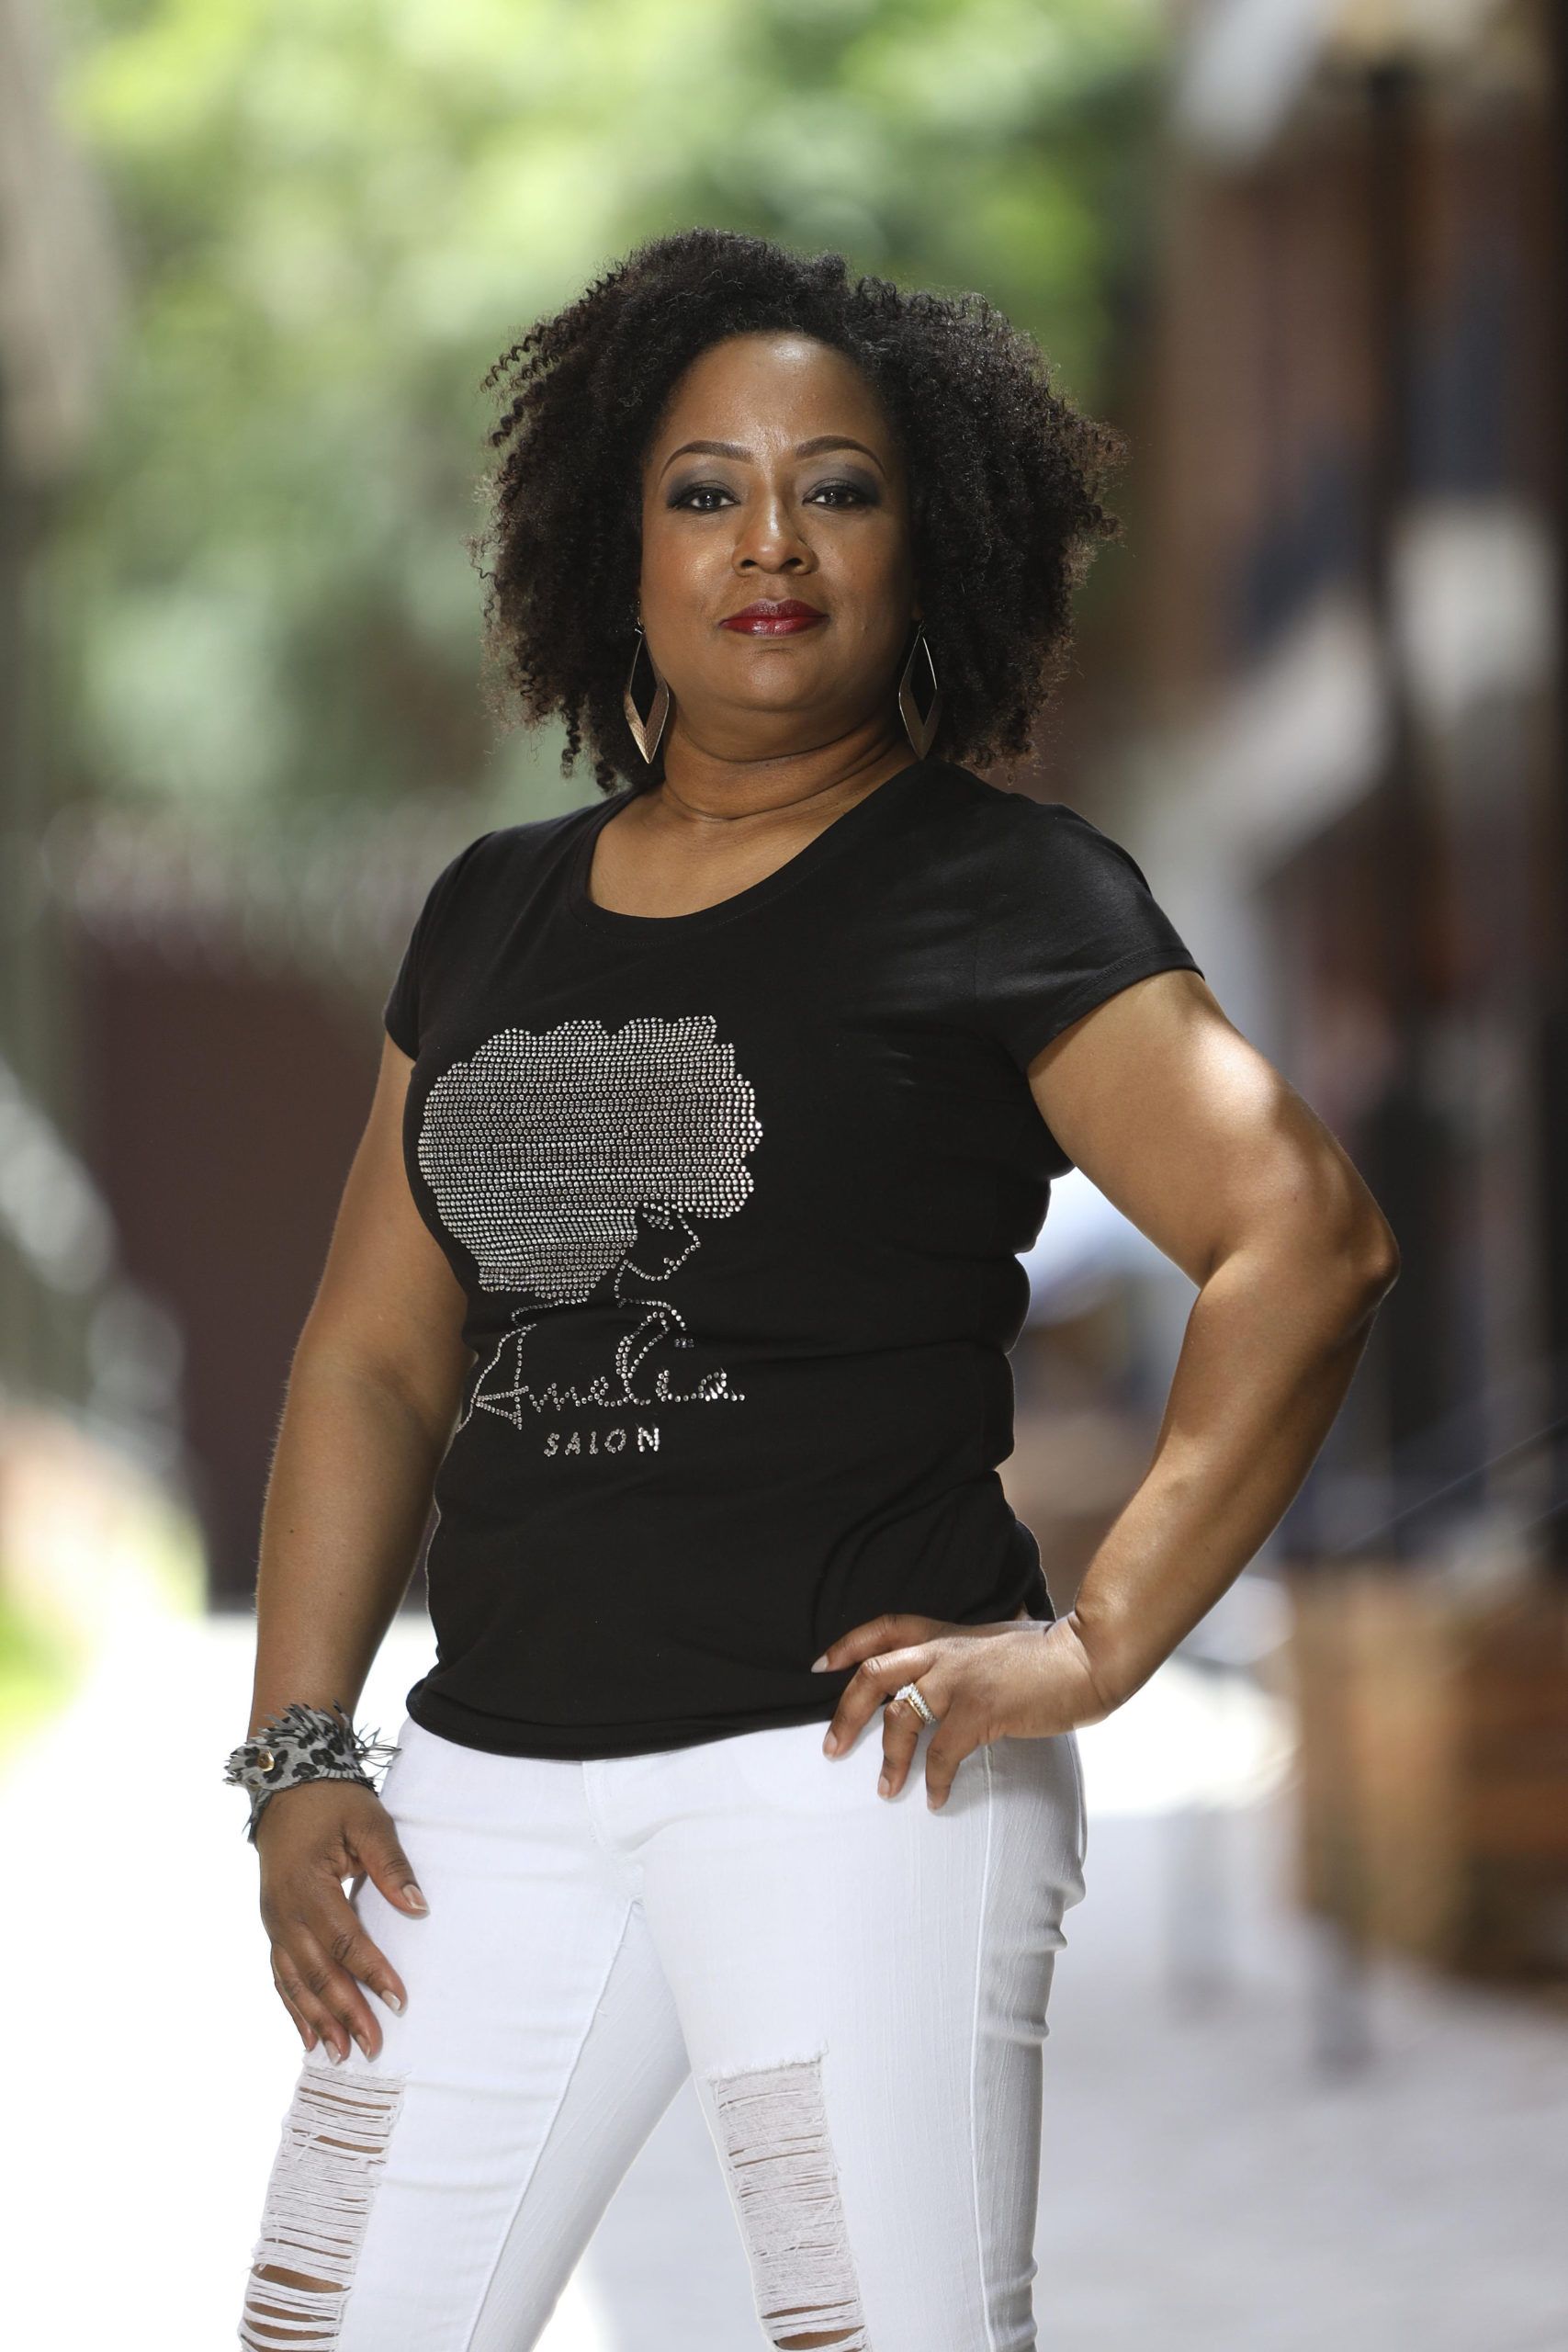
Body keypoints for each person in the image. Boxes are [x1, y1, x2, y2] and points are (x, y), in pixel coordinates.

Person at [228, 228, 1398, 2352]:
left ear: (920, 542)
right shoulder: (491, 911)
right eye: (704, 488)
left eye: (835, 487)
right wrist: (299, 1740)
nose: (768, 539)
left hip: (852, 1781)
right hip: (487, 1785)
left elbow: (1301, 1234)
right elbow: (377, 1351)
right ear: (618, 545)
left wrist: (1098, 1641)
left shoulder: (1003, 891)